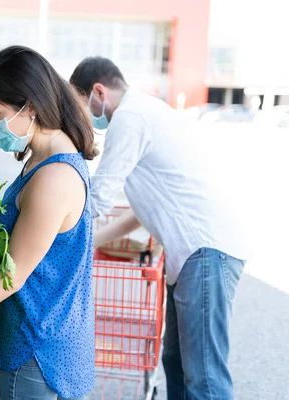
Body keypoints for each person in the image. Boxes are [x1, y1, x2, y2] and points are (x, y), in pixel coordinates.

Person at [70, 57, 250, 400]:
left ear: (98, 91)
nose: (84, 115)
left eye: (81, 106)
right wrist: (89, 240)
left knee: (204, 374)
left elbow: (99, 196)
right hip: (201, 250)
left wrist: (56, 229)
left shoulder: (130, 117)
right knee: (176, 361)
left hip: (206, 249)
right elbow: (137, 215)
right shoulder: (147, 111)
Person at [0, 46, 99, 400]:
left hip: (37, 350)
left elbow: (11, 278)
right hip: (47, 340)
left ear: (29, 106)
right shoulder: (45, 159)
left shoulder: (54, 177)